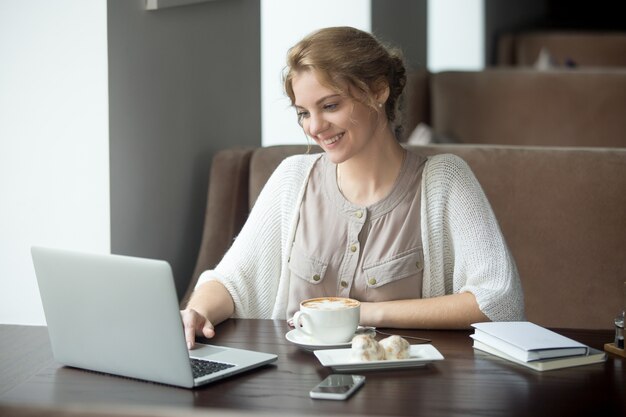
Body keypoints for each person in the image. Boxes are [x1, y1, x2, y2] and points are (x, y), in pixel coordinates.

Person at [181, 26, 524, 348]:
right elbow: (231, 281)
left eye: (330, 106)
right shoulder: (292, 178)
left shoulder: (445, 181)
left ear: (378, 91)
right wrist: (198, 312)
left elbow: (498, 302)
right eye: (303, 112)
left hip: (404, 393)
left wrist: (363, 312)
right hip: (292, 392)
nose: (314, 127)